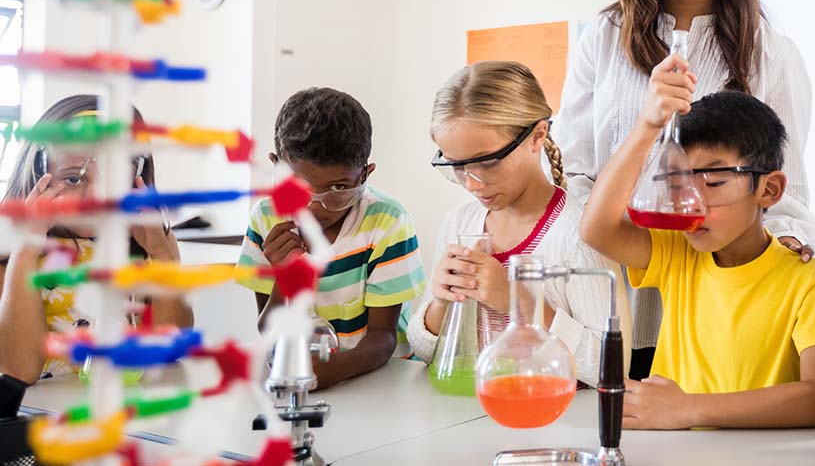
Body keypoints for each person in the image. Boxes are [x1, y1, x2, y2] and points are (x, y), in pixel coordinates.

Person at [553, 0, 815, 380]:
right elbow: (575, 174)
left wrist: (791, 248)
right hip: (611, 303)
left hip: (716, 315)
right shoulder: (603, 41)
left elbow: (787, 194)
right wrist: (617, 245)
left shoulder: (773, 54)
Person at [581, 74, 815, 429]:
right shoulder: (677, 251)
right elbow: (597, 229)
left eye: (714, 182)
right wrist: (648, 125)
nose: (690, 203)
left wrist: (689, 409)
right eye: (679, 184)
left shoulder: (808, 279)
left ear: (769, 189)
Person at [406, 62, 630, 385]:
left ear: (537, 136)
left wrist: (519, 302)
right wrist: (440, 304)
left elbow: (611, 369)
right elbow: (425, 351)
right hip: (471, 414)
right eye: (456, 166)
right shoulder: (459, 224)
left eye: (487, 163)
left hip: (551, 422)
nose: (472, 184)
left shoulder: (578, 235)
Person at [236, 87, 425, 390]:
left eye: (338, 189)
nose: (315, 206)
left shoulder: (388, 222)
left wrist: (331, 371)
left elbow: (383, 337)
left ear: (364, 175)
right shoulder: (266, 218)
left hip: (380, 381)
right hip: (301, 377)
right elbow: (269, 328)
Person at [0, 95, 192, 385]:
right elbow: (19, 369)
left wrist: (161, 253)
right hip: (39, 417)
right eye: (73, 180)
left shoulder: (152, 241)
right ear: (39, 174)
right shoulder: (10, 250)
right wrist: (26, 250)